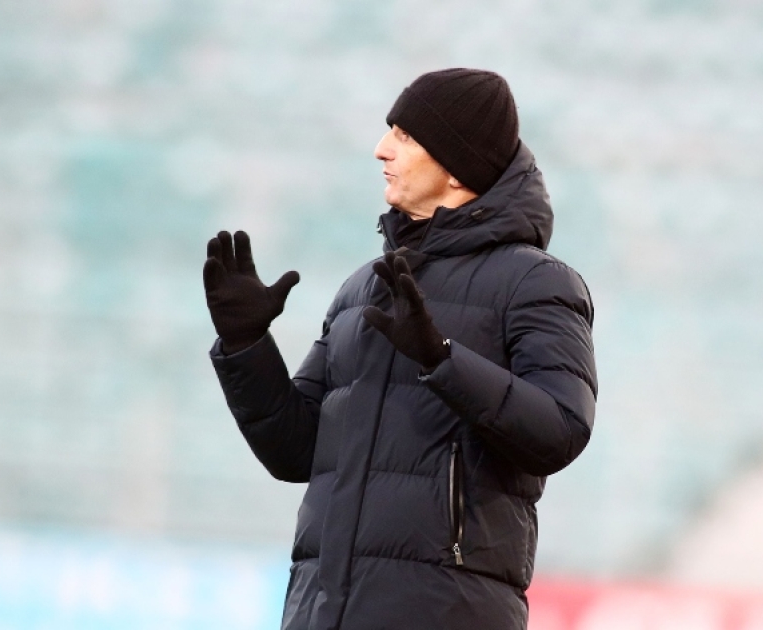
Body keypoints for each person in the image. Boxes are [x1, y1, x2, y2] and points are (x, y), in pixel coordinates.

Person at [203, 68, 597, 630]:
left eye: (406, 136)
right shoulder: (364, 286)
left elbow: (560, 429)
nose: (381, 149)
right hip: (322, 611)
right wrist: (246, 345)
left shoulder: (536, 283)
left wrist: (442, 358)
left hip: (445, 611)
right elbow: (295, 452)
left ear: (457, 169)